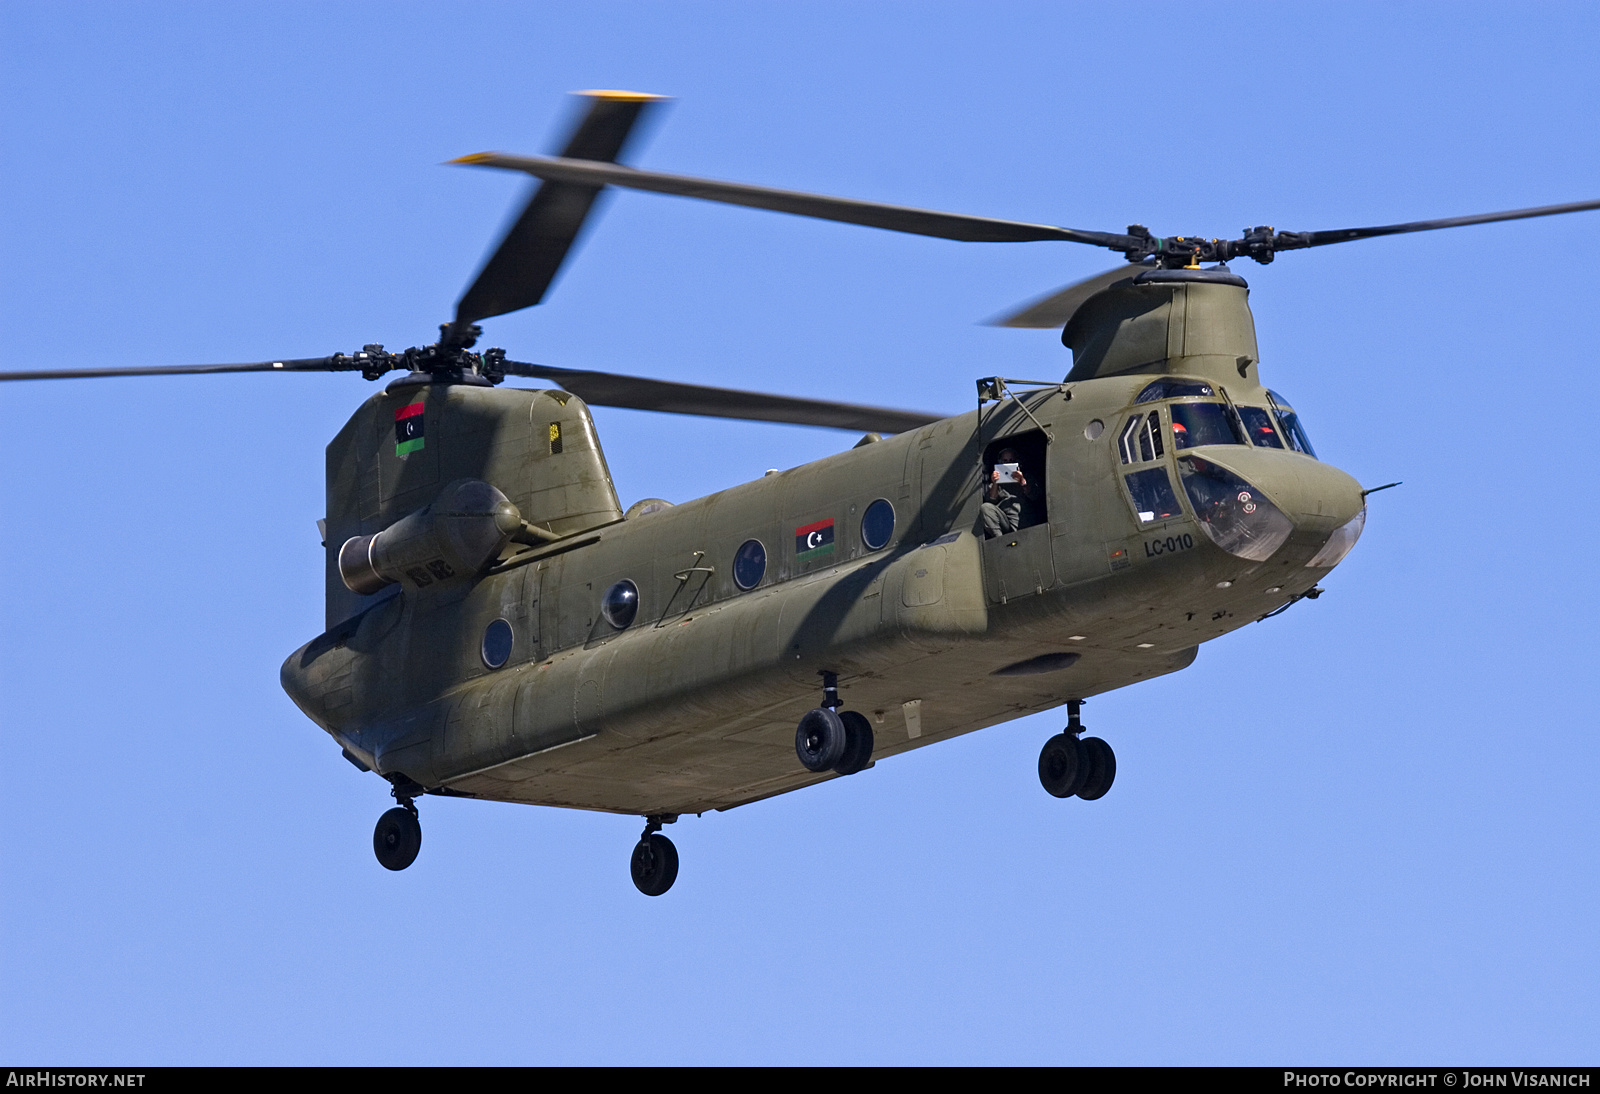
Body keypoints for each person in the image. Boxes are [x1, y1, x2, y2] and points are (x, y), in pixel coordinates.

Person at [980, 447, 1037, 538]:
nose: (1008, 463)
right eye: (1005, 461)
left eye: (1011, 460)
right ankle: (1000, 539)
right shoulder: (998, 483)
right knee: (985, 507)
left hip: (1024, 519)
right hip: (1006, 521)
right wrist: (995, 483)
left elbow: (1035, 495)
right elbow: (991, 500)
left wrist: (1022, 481)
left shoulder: (1026, 477)